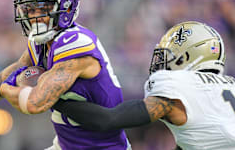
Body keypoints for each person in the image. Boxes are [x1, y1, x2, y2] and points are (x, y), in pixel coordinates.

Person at [0, 0, 131, 150]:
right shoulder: (41, 43)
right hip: (65, 145)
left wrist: (7, 87)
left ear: (66, 6)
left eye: (43, 8)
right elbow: (3, 78)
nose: (35, 16)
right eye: (30, 9)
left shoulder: (76, 45)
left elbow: (34, 103)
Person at [53, 21, 235, 150]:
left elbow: (108, 120)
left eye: (169, 55)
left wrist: (55, 99)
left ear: (186, 58)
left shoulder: (180, 87)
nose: (162, 63)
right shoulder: (225, 88)